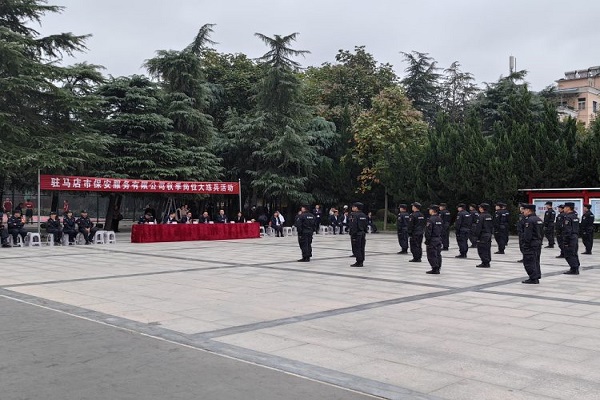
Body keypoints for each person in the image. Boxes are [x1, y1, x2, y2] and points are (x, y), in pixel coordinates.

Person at [521, 204, 543, 284]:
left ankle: (533, 278)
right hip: (537, 242)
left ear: (528, 210)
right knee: (536, 260)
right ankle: (536, 276)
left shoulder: (529, 220)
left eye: (524, 210)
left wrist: (525, 244)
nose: (523, 211)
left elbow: (528, 235)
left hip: (531, 244)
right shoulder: (538, 219)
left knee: (529, 261)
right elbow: (542, 232)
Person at [562, 202, 580, 275]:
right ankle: (575, 267)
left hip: (570, 237)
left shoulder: (568, 217)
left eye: (565, 207)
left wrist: (566, 241)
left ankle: (574, 269)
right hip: (575, 236)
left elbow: (567, 230)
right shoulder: (575, 216)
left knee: (569, 254)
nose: (564, 209)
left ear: (568, 208)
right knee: (574, 253)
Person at [425, 205, 443, 274]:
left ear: (432, 210)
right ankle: (438, 267)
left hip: (432, 239)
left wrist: (427, 240)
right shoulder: (439, 218)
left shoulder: (431, 219)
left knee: (431, 254)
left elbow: (428, 231)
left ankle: (435, 268)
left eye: (430, 210)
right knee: (438, 254)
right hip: (438, 238)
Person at [474, 203, 494, 268]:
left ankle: (485, 262)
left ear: (482, 208)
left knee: (481, 249)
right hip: (488, 234)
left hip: (482, 235)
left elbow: (478, 227)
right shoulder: (489, 216)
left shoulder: (481, 216)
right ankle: (487, 261)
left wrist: (476, 235)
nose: (479, 209)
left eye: (480, 207)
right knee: (487, 249)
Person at [349, 202, 368, 267]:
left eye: (353, 207)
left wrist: (352, 234)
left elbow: (353, 225)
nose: (352, 208)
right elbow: (366, 225)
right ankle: (361, 261)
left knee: (356, 248)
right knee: (362, 248)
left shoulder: (354, 215)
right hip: (362, 233)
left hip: (356, 234)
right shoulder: (363, 215)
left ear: (356, 208)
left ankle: (359, 261)